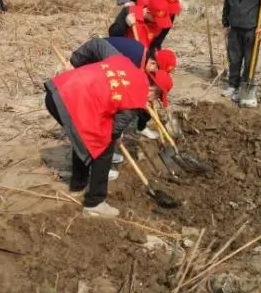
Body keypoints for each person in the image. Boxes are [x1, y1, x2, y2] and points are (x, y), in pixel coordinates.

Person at [44, 55, 171, 218]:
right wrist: (116, 136)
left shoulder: (128, 65)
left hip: (58, 89)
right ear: (154, 89)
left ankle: (78, 186)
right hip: (70, 100)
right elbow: (114, 130)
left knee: (85, 136)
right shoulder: (137, 95)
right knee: (103, 147)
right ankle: (95, 203)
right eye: (157, 97)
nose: (153, 102)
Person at [70, 37, 176, 165]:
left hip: (104, 75)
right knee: (100, 120)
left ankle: (103, 153)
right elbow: (121, 94)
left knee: (110, 121)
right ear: (153, 63)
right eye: (155, 72)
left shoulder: (143, 62)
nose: (153, 76)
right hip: (95, 67)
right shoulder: (133, 60)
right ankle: (98, 158)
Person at [116, 0, 181, 52]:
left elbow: (158, 41)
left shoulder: (171, 13)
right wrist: (127, 3)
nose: (169, 11)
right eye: (168, 6)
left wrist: (152, 56)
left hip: (145, 45)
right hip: (128, 40)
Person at [108, 0, 173, 52]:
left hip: (144, 57)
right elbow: (113, 34)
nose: (158, 22)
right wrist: (126, 24)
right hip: (125, 53)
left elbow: (156, 44)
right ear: (148, 11)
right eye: (156, 18)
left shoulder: (161, 23)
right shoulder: (129, 12)